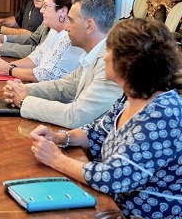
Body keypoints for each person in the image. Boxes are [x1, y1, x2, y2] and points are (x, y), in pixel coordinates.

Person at [29, 18, 182, 219]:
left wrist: (56, 159)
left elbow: (112, 177)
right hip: (110, 204)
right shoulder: (133, 94)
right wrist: (60, 138)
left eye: (109, 52)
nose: (104, 58)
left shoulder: (163, 114)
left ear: (129, 63)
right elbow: (97, 132)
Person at [2, 0, 122, 129]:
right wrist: (25, 89)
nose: (66, 27)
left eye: (71, 20)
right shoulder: (95, 54)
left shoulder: (112, 64)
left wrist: (25, 101)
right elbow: (65, 87)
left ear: (89, 26)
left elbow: (75, 116)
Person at [0, 0, 83, 82]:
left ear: (63, 10)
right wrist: (8, 65)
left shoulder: (70, 37)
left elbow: (46, 75)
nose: (41, 10)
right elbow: (36, 58)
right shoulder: (54, 31)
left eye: (46, 6)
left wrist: (10, 70)